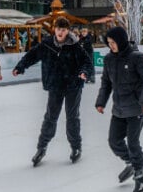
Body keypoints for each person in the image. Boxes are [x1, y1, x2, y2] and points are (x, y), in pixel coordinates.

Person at [12, 17, 91, 166]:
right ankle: (41, 148)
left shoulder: (75, 45)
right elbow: (32, 55)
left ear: (67, 31)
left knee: (72, 117)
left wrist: (84, 72)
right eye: (58, 29)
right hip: (55, 85)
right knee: (50, 117)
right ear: (54, 30)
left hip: (73, 85)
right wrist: (20, 67)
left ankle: (76, 148)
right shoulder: (47, 44)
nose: (61, 32)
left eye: (63, 30)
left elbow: (87, 62)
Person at [95, 26, 143, 192]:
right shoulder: (108, 59)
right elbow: (106, 83)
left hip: (137, 108)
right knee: (114, 141)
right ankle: (130, 162)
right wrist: (101, 102)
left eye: (113, 42)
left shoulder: (137, 57)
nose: (111, 46)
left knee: (133, 142)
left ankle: (139, 176)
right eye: (109, 43)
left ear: (121, 41)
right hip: (119, 109)